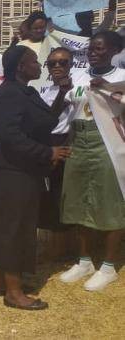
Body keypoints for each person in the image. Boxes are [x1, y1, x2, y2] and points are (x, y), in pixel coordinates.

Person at [0, 46, 71, 310]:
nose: (40, 66)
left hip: (21, 170)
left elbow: (47, 121)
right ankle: (13, 293)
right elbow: (11, 137)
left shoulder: (28, 92)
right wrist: (47, 151)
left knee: (11, 226)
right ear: (21, 67)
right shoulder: (9, 94)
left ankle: (3, 282)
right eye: (34, 62)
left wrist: (61, 93)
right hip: (8, 171)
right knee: (13, 229)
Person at [58, 31, 125, 291]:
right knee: (78, 200)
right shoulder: (79, 76)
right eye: (91, 48)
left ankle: (108, 267)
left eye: (99, 48)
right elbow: (68, 105)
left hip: (108, 143)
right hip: (79, 141)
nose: (93, 52)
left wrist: (107, 91)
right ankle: (84, 260)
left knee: (110, 201)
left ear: (115, 50)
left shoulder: (120, 78)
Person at [36, 48, 77, 256]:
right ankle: (50, 245)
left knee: (62, 197)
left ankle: (63, 249)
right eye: (52, 64)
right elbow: (45, 121)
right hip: (46, 145)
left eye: (63, 62)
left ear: (71, 64)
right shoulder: (43, 91)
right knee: (47, 197)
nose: (57, 67)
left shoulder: (79, 89)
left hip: (67, 144)